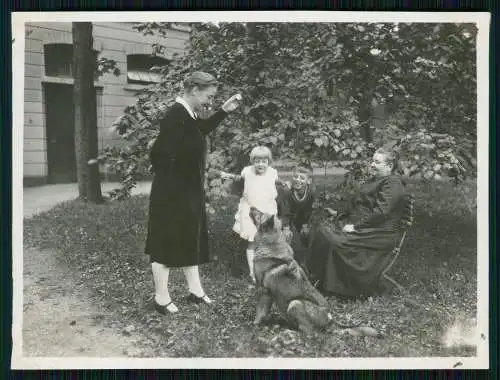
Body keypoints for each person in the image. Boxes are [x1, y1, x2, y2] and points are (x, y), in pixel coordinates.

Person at [145, 71, 241, 314]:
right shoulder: (175, 115)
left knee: (191, 238)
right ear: (194, 90)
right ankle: (161, 297)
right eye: (207, 96)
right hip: (172, 193)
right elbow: (158, 155)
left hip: (187, 190)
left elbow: (201, 129)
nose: (209, 101)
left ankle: (195, 291)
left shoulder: (188, 114)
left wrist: (224, 110)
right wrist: (176, 186)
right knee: (165, 242)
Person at [305, 147, 408, 298]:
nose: (372, 164)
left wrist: (355, 227)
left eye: (377, 162)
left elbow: (381, 213)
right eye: (372, 160)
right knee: (322, 231)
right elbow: (360, 203)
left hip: (381, 233)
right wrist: (340, 214)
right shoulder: (376, 180)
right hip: (368, 227)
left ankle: (340, 288)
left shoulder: (393, 183)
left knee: (332, 239)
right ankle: (320, 279)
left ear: (389, 166)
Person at [220, 146, 288, 283]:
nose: (260, 164)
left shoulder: (272, 173)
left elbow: (275, 181)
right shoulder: (247, 171)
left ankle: (268, 268)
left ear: (268, 162)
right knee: (252, 242)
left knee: (267, 241)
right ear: (252, 161)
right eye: (257, 161)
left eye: (264, 161)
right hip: (249, 211)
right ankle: (253, 272)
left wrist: (284, 183)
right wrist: (227, 175)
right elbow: (239, 178)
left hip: (267, 211)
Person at [277, 165, 316, 265]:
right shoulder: (287, 191)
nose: (298, 180)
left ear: (309, 181)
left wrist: (305, 224)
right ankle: (285, 261)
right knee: (286, 236)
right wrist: (286, 227)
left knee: (307, 234)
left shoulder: (311, 192)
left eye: (302, 178)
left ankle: (308, 259)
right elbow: (285, 210)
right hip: (287, 214)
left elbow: (310, 210)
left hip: (302, 216)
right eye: (295, 177)